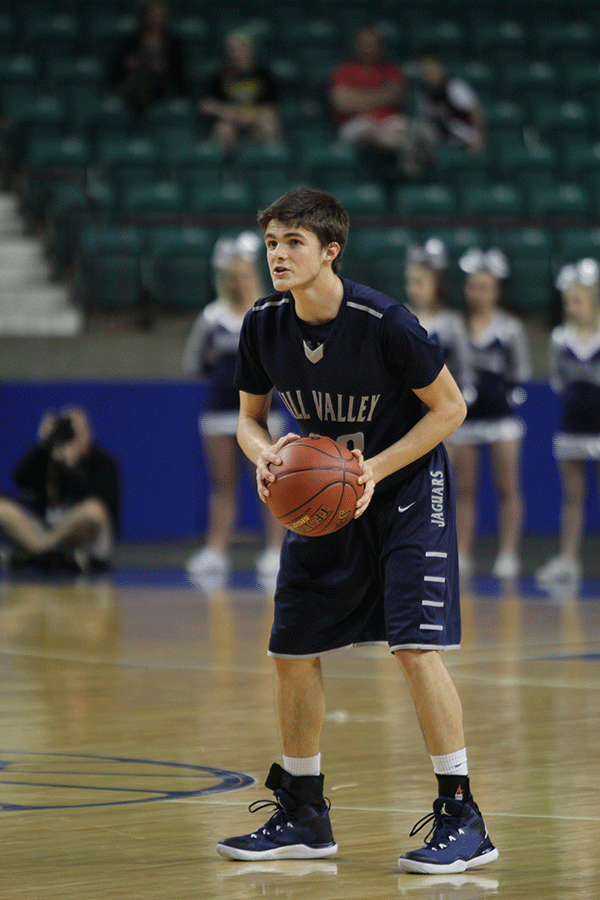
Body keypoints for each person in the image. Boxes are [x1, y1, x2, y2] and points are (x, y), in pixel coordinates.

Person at [216, 188, 498, 874]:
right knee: (291, 648)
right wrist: (267, 455)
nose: (278, 255)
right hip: (326, 496)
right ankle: (306, 812)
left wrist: (371, 468)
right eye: (272, 243)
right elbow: (248, 419)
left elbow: (451, 409)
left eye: (293, 243)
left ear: (330, 250)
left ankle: (464, 815)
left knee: (413, 646)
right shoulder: (263, 324)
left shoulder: (384, 321)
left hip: (402, 487)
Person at [182, 231, 285, 586]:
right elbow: (193, 361)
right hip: (220, 413)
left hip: (263, 414)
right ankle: (216, 550)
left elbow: (285, 360)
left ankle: (275, 551)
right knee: (223, 484)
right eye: (232, 278)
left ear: (253, 276)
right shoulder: (212, 317)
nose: (238, 283)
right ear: (224, 280)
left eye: (244, 276)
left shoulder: (268, 312)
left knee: (271, 483)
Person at [449, 248, 532, 580]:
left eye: (485, 288)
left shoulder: (509, 327)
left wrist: (512, 393)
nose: (478, 294)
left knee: (507, 487)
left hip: (501, 420)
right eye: (473, 287)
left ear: (497, 290)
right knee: (464, 489)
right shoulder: (457, 325)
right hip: (466, 421)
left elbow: (521, 370)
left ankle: (508, 555)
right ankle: (462, 553)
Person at [536, 258, 600, 589]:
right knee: (573, 498)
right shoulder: (561, 338)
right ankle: (569, 560)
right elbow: (558, 381)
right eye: (568, 302)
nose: (572, 307)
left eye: (578, 300)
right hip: (571, 427)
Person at [0, 407, 119, 574]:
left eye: (77, 432)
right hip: (46, 528)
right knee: (3, 509)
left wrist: (69, 469)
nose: (73, 438)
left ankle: (42, 551)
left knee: (94, 510)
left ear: (88, 434)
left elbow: (104, 509)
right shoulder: (49, 455)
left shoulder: (103, 462)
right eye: (67, 431)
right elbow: (18, 478)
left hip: (79, 535)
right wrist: (41, 445)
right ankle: (47, 552)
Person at [328, 26, 433, 179]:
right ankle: (404, 147)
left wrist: (358, 97)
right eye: (364, 44)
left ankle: (408, 146)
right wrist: (381, 95)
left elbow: (396, 95)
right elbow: (342, 104)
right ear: (356, 45)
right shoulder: (343, 72)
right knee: (370, 130)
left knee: (405, 127)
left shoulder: (391, 71)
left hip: (389, 120)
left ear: (380, 46)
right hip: (355, 122)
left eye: (372, 44)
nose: (368, 48)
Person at [404, 238, 475, 408]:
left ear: (437, 284)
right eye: (409, 282)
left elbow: (465, 370)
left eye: (419, 283)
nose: (412, 289)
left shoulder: (452, 322)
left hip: (441, 409)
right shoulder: (400, 317)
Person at [198, 29, 281, 157]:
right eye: (232, 49)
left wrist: (250, 116)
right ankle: (225, 171)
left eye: (240, 48)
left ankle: (271, 167)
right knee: (223, 129)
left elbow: (272, 107)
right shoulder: (220, 73)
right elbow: (205, 105)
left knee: (270, 125)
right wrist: (230, 113)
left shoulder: (263, 74)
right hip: (231, 122)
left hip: (255, 120)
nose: (236, 53)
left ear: (251, 49)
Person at [111, 0, 186, 120]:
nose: (157, 19)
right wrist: (128, 64)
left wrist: (164, 67)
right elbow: (116, 68)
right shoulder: (131, 40)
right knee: (139, 79)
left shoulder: (174, 42)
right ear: (145, 16)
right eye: (154, 15)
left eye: (161, 16)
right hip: (135, 83)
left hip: (162, 85)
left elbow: (179, 72)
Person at [415, 50, 485, 154]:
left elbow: (474, 111)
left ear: (440, 67)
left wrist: (478, 137)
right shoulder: (423, 92)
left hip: (462, 135)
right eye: (424, 69)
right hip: (440, 136)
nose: (428, 72)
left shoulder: (454, 86)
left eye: (431, 67)